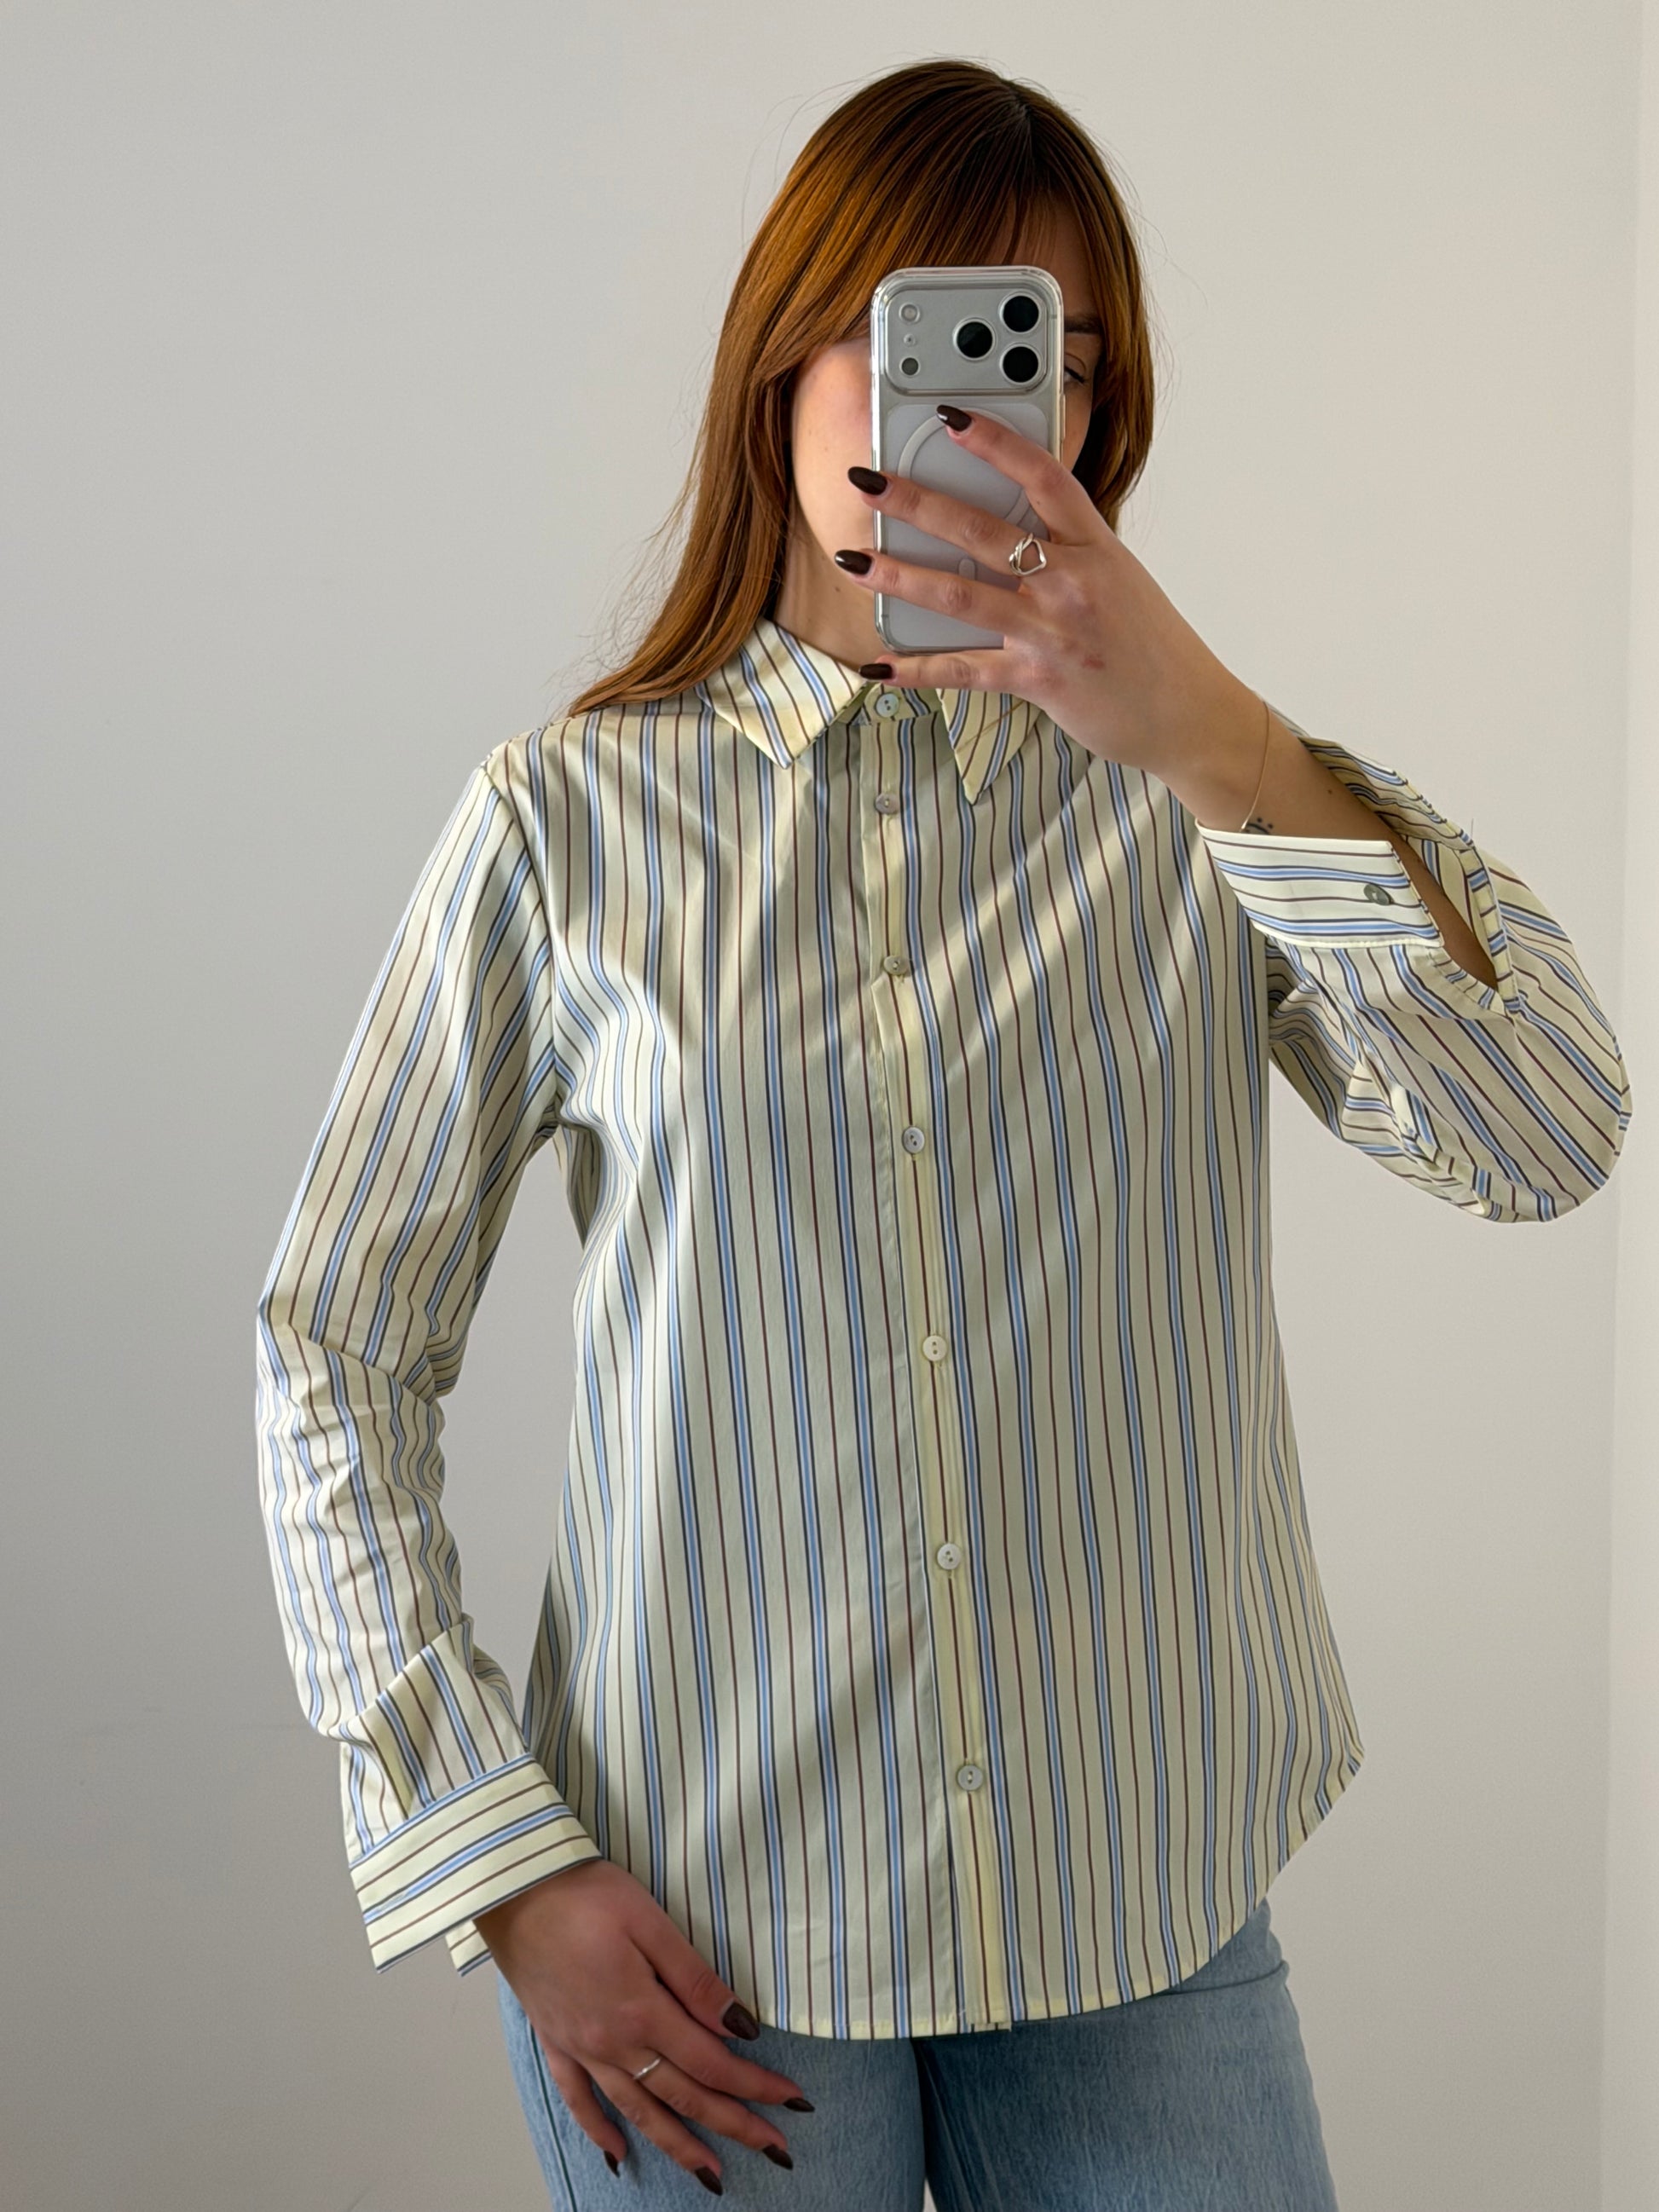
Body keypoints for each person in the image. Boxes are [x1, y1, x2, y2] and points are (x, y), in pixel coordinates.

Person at [252, 55, 1632, 2212]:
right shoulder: (562, 824)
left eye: (1045, 363)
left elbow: (1545, 1132)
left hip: (1140, 1898)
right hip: (699, 1935)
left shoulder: (1206, 807)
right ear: (787, 363)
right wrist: (491, 1856)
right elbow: (333, 1342)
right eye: (926, 342)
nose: (984, 422)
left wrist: (1222, 738)